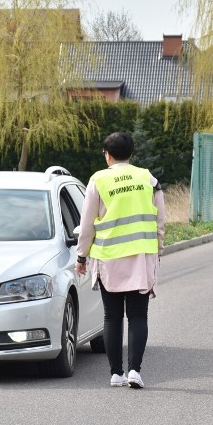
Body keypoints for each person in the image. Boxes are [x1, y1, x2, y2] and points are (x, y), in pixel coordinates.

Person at [76, 132, 165, 389]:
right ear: (131, 154)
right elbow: (161, 219)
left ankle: (116, 374)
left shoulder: (98, 180)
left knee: (112, 316)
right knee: (138, 316)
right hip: (141, 256)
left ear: (108, 154)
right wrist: (157, 250)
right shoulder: (147, 178)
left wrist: (81, 256)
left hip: (109, 259)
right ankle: (135, 370)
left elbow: (87, 225)